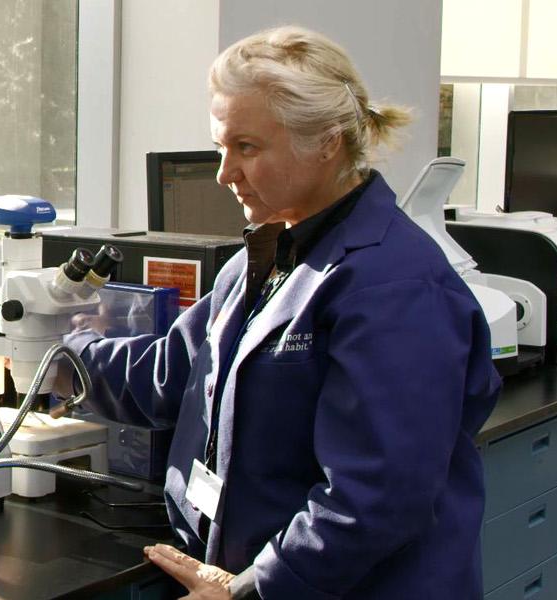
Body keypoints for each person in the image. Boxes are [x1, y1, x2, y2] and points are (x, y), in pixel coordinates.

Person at [68, 27, 501, 599]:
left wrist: (247, 592)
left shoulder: (394, 286)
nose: (224, 172)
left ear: (326, 143)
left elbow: (374, 500)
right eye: (221, 146)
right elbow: (176, 372)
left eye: (246, 147)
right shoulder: (269, 253)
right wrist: (61, 359)